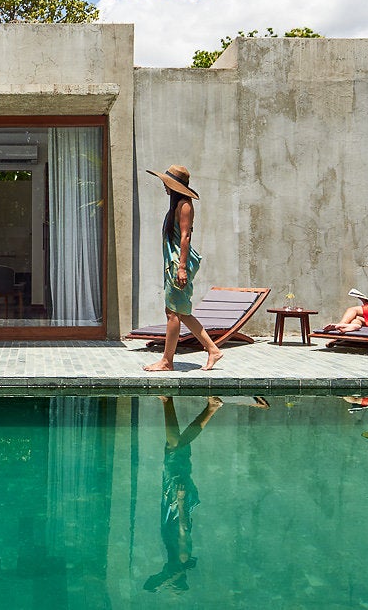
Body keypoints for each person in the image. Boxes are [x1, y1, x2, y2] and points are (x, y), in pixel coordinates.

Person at [142, 165, 223, 372]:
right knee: (182, 312)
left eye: (166, 183)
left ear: (175, 185)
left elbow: (186, 236)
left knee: (172, 313)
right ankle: (213, 350)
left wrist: (182, 267)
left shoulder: (184, 205)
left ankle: (167, 362)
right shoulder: (177, 205)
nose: (164, 186)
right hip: (175, 263)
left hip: (179, 264)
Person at [143, 396, 221, 592]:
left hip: (174, 501)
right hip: (178, 499)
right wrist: (180, 498)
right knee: (173, 448)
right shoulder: (182, 557)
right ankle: (167, 401)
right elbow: (184, 527)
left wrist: (167, 581)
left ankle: (211, 407)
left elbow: (152, 584)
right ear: (177, 574)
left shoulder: (173, 558)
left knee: (180, 446)